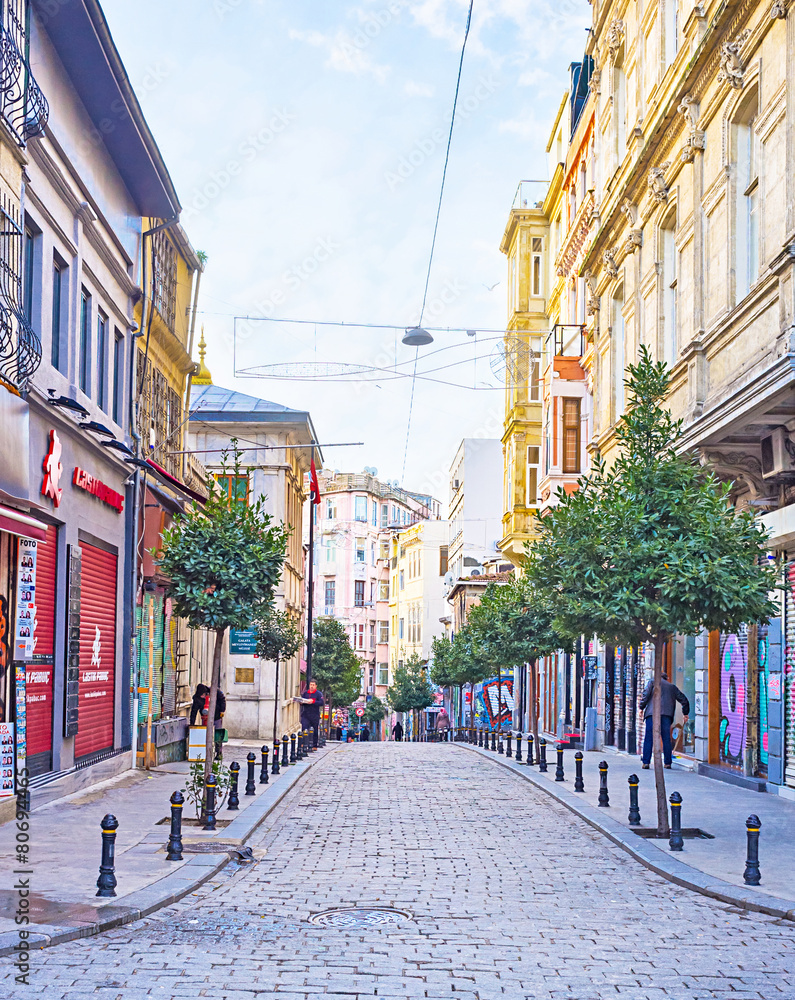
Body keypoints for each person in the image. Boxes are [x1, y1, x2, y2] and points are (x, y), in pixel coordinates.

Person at [639, 671, 690, 769]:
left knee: (649, 737)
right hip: (666, 715)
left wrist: (641, 707)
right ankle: (667, 763)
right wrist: (685, 713)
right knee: (666, 738)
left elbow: (645, 695)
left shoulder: (652, 682)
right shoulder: (672, 687)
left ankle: (646, 762)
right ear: (666, 678)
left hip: (652, 714)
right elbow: (684, 700)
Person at [189, 683, 226, 759]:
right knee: (205, 734)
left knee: (217, 734)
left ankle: (218, 752)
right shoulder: (197, 698)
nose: (202, 697)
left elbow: (222, 700)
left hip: (216, 716)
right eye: (201, 696)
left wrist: (222, 710)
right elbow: (194, 711)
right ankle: (205, 752)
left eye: (203, 695)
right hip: (205, 718)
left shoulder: (215, 691)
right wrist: (191, 723)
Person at [295, 679, 324, 747]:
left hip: (314, 714)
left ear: (316, 686)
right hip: (306, 714)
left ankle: (314, 745)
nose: (312, 686)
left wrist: (313, 702)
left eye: (313, 685)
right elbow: (303, 701)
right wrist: (302, 702)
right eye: (311, 685)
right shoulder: (305, 693)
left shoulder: (318, 694)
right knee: (304, 728)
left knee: (315, 730)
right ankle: (303, 743)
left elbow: (321, 703)